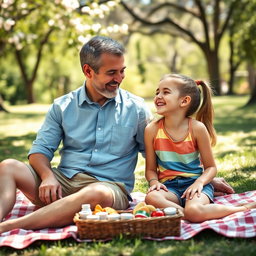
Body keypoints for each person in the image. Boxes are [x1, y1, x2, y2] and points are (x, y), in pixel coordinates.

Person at [0, 38, 234, 234]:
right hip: (63, 182)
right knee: (8, 166)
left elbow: (161, 154)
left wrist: (204, 179)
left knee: (95, 192)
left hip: (107, 189)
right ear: (88, 71)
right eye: (111, 72)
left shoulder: (136, 109)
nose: (119, 78)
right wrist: (47, 176)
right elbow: (40, 150)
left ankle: (13, 226)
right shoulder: (63, 106)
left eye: (122, 71)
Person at [144, 74, 256, 222]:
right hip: (169, 188)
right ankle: (188, 213)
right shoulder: (152, 130)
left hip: (196, 185)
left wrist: (199, 183)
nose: (158, 96)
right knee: (151, 197)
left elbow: (211, 168)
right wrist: (154, 183)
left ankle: (242, 208)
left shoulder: (197, 128)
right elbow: (151, 169)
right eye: (157, 92)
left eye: (165, 92)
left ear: (184, 101)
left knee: (195, 210)